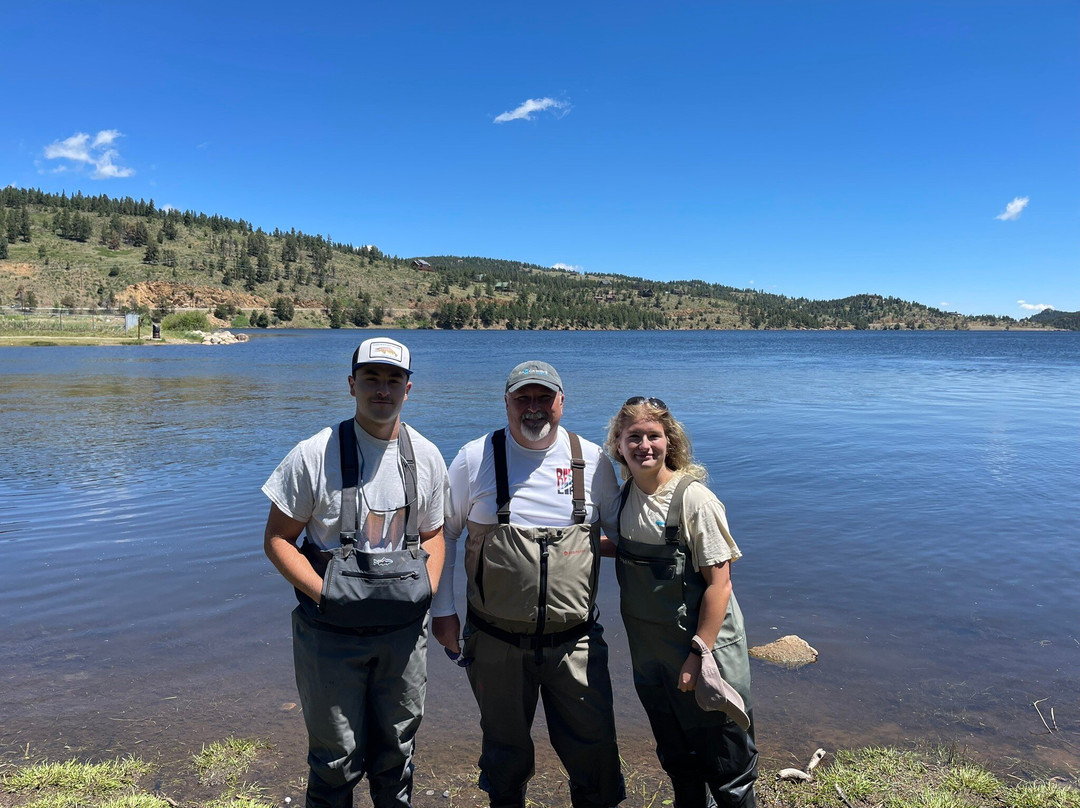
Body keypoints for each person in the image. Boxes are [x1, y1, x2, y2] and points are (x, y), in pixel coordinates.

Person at [262, 337, 447, 808]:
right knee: (334, 760)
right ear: (351, 385)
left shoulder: (426, 456)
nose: (381, 390)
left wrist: (427, 590)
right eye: (371, 379)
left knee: (396, 755)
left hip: (404, 636)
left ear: (409, 389)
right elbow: (278, 540)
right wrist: (324, 594)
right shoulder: (312, 454)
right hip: (329, 634)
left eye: (392, 380)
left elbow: (434, 536)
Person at [431, 360, 626, 808]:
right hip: (494, 642)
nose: (533, 408)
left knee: (595, 757)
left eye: (544, 398)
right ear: (506, 403)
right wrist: (443, 611)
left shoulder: (591, 460)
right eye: (523, 398)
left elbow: (622, 530)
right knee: (504, 760)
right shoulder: (473, 457)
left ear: (562, 402)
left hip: (576, 643)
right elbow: (444, 532)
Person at [604, 397, 758, 808]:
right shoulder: (621, 501)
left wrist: (699, 654)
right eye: (633, 437)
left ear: (669, 442)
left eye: (653, 436)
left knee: (729, 768)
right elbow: (617, 546)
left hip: (705, 655)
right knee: (679, 761)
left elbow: (720, 584)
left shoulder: (694, 501)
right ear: (618, 444)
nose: (644, 446)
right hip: (651, 660)